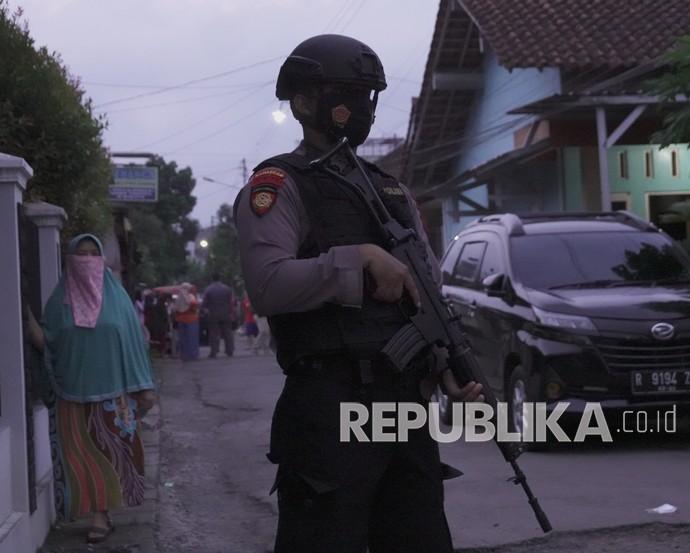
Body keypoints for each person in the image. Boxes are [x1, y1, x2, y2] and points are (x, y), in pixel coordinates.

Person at [234, 35, 484, 553]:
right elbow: (267, 285)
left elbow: (426, 292)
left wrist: (445, 365)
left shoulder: (390, 190)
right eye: (349, 93)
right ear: (303, 101)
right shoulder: (280, 184)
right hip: (330, 406)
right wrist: (359, 260)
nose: (363, 107)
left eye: (370, 95)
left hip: (404, 408)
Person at [26, 234, 155, 544]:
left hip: (114, 396)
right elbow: (48, 344)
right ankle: (96, 513)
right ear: (68, 260)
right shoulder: (59, 302)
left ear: (101, 261)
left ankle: (102, 514)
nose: (85, 260)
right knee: (82, 460)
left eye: (91, 254)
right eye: (79, 254)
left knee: (112, 458)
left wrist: (144, 386)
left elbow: (134, 342)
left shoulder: (118, 298)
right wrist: (24, 316)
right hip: (72, 395)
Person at [201, 273, 235, 358]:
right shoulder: (227, 289)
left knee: (214, 333)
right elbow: (231, 303)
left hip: (213, 314)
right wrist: (231, 313)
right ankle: (229, 351)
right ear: (220, 279)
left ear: (212, 279)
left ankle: (214, 352)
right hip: (226, 314)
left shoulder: (208, 289)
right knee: (227, 333)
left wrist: (205, 311)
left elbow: (204, 304)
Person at [174, 283, 200, 362]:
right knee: (192, 338)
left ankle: (184, 355)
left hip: (181, 320)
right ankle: (192, 355)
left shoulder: (178, 298)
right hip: (191, 320)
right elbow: (195, 306)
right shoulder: (191, 296)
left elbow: (176, 309)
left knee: (183, 339)